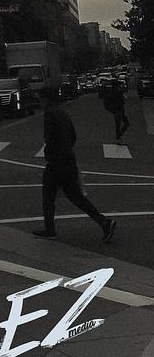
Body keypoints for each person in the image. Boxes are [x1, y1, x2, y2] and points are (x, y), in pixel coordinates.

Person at [33, 86, 116, 244]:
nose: (40, 103)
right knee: (75, 196)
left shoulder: (49, 114)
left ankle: (50, 229)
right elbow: (73, 135)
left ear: (45, 99)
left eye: (40, 99)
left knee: (48, 196)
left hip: (57, 162)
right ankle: (104, 222)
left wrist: (50, 154)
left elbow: (50, 139)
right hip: (68, 159)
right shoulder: (63, 112)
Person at [102, 78, 130, 144]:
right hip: (118, 110)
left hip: (118, 110)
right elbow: (121, 100)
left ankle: (118, 137)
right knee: (120, 124)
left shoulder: (113, 92)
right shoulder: (116, 92)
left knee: (121, 124)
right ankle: (118, 137)